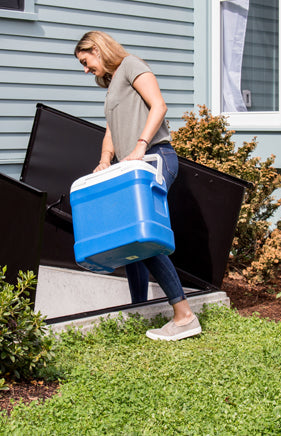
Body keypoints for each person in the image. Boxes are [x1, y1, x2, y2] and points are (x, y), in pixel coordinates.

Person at [74, 31, 201, 341]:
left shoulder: (131, 65)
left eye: (85, 61)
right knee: (130, 239)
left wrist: (141, 145)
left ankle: (184, 315)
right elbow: (111, 132)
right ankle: (140, 308)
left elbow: (159, 105)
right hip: (131, 165)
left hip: (156, 157)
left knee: (141, 235)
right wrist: (105, 160)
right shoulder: (112, 86)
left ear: (98, 49)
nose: (86, 69)